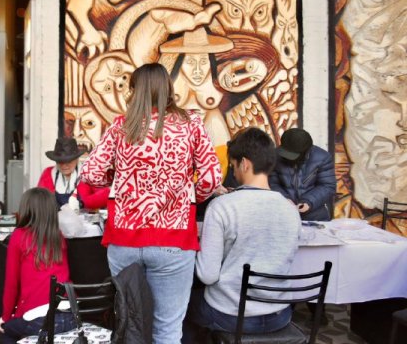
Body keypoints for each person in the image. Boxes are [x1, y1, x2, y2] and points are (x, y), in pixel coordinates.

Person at [80, 63, 222, 343]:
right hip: (173, 239)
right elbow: (211, 177)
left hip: (124, 240)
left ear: (134, 91)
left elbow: (91, 172)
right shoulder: (191, 124)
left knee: (129, 324)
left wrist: (121, 177)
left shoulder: (121, 126)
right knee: (167, 329)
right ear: (169, 89)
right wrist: (188, 192)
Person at [183, 127, 301, 342]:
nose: (233, 172)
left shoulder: (222, 206)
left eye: (233, 165)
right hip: (279, 314)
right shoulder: (290, 209)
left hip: (231, 314)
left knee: (182, 304)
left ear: (244, 163)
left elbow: (207, 275)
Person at [0, 187, 76, 344]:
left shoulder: (19, 236)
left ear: (26, 209)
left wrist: (6, 317)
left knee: (6, 331)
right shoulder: (58, 236)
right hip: (70, 315)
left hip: (39, 319)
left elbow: (12, 285)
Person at [269, 128, 336, 221]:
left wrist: (308, 202)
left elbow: (328, 186)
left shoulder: (323, 157)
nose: (288, 157)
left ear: (306, 151)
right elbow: (271, 183)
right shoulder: (276, 156)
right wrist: (284, 199)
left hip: (315, 216)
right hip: (283, 216)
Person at [37, 137, 87, 208]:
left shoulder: (87, 174)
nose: (64, 165)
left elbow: (101, 197)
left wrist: (83, 203)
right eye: (60, 161)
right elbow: (39, 200)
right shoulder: (48, 173)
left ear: (76, 159)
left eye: (68, 161)